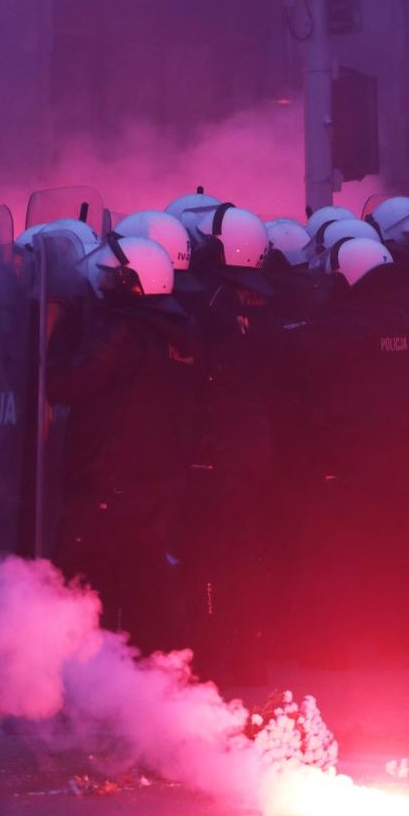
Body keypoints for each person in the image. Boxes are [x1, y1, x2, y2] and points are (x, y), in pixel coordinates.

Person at [279, 236, 409, 665]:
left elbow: (301, 375)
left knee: (335, 548)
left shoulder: (337, 327)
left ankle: (328, 646)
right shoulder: (408, 324)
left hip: (347, 457)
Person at [47, 235, 201, 655]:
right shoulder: (178, 333)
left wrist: (61, 329)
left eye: (111, 275)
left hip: (106, 482)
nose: (103, 281)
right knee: (146, 582)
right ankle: (156, 677)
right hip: (158, 484)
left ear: (132, 282)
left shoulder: (125, 334)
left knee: (78, 585)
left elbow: (63, 383)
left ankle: (74, 677)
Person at [171, 203, 279, 684]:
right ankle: (250, 653)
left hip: (213, 449)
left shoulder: (203, 303)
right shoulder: (264, 300)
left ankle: (212, 655)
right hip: (254, 446)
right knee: (245, 552)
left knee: (206, 556)